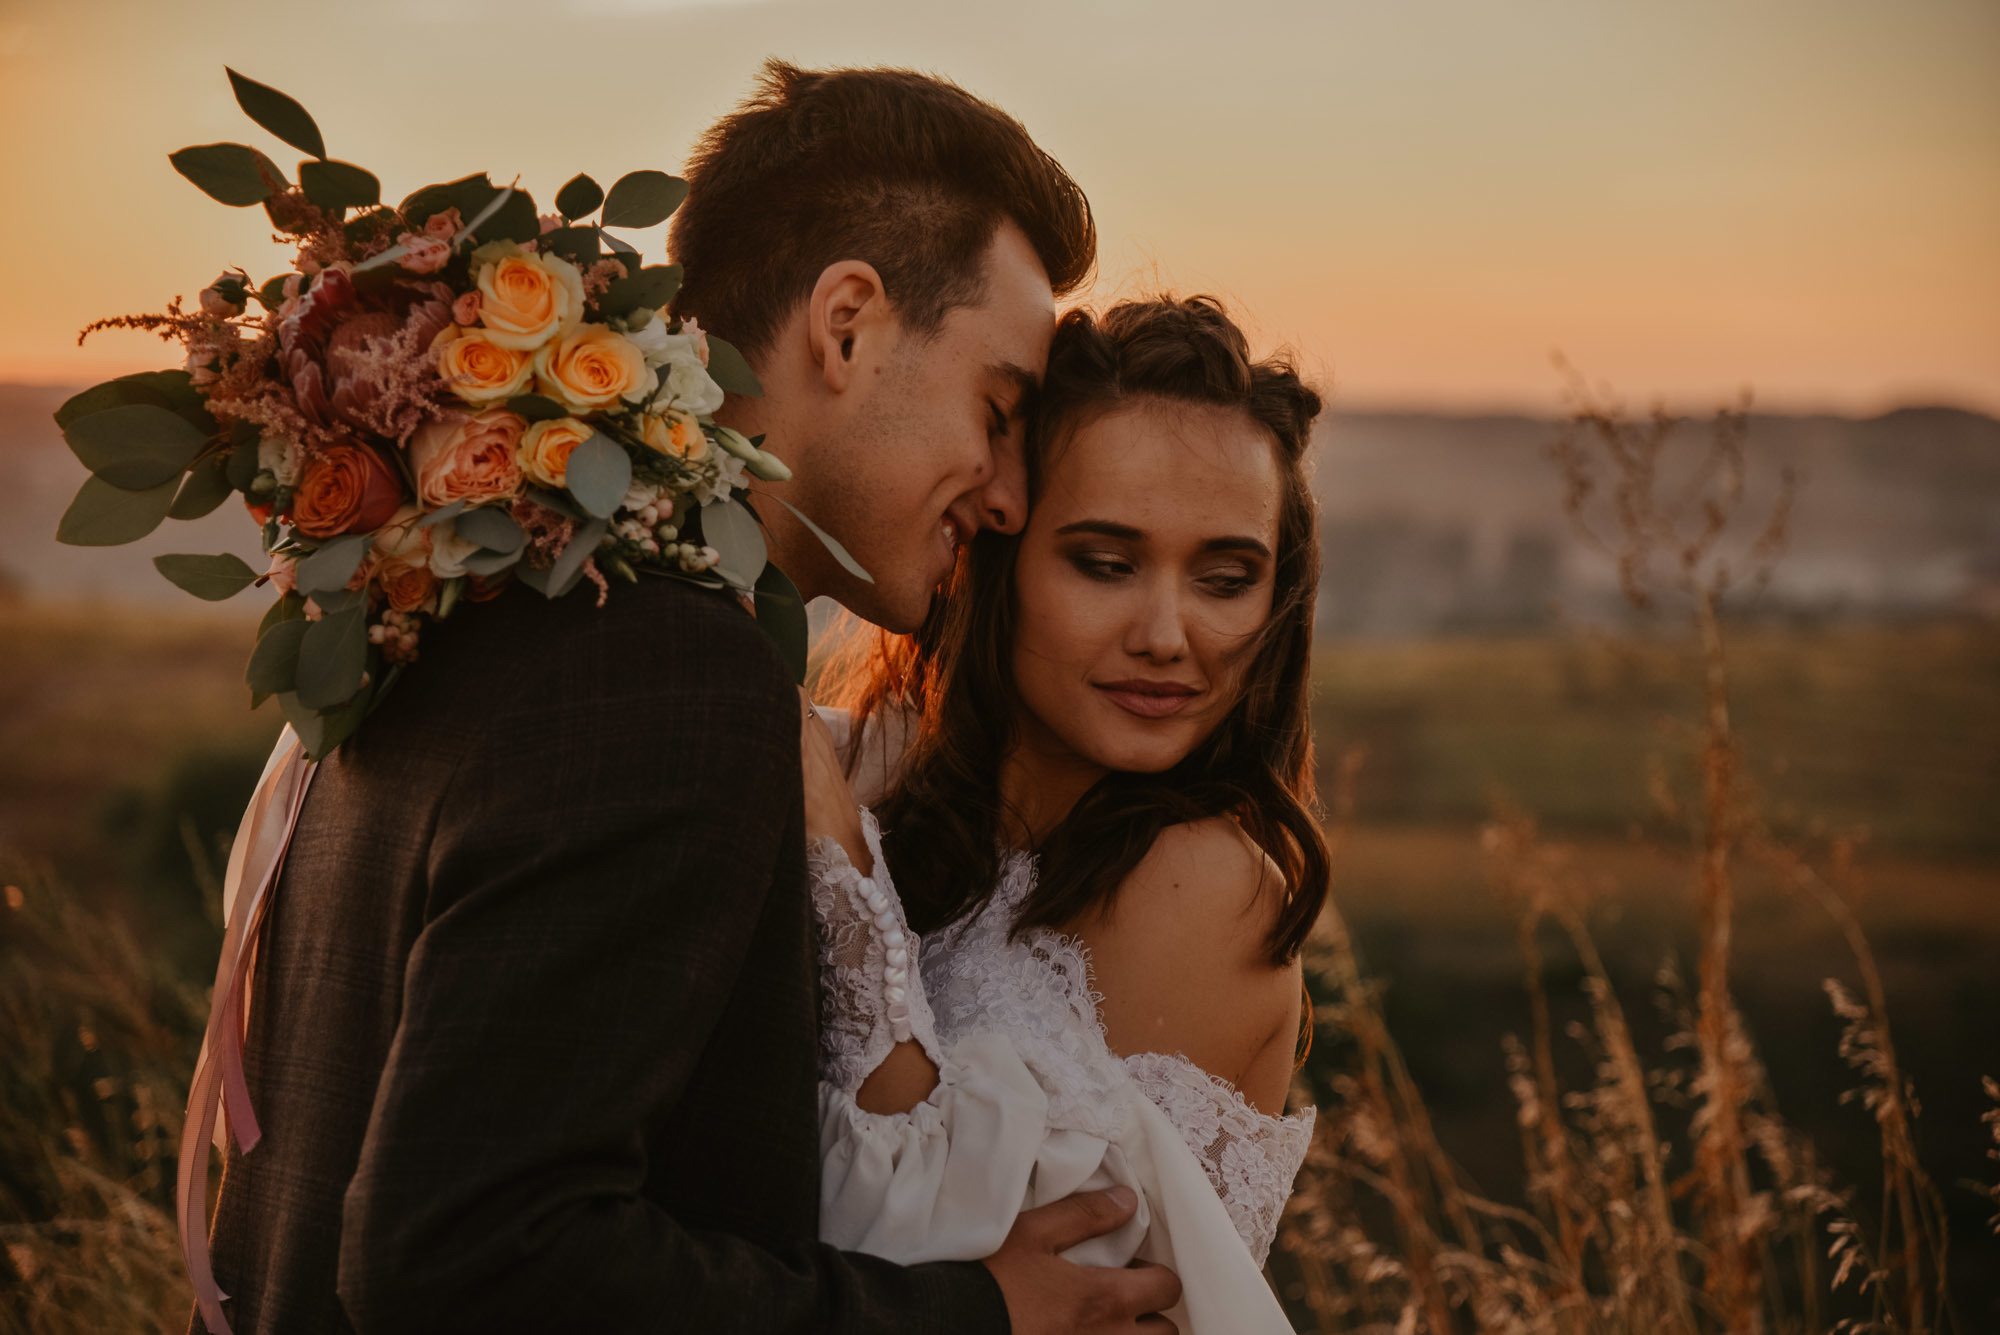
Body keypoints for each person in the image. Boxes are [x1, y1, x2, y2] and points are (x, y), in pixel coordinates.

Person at [196, 62, 1183, 1334]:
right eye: (996, 412)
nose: (1003, 495)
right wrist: (968, 1316)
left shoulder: (456, 606)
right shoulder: (669, 670)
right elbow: (472, 1265)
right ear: (846, 324)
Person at [800, 295, 1330, 1332]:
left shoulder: (1202, 881)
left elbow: (979, 1256)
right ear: (992, 550)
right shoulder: (874, 770)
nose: (1168, 635)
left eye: (1226, 579)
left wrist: (830, 855)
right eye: (1104, 564)